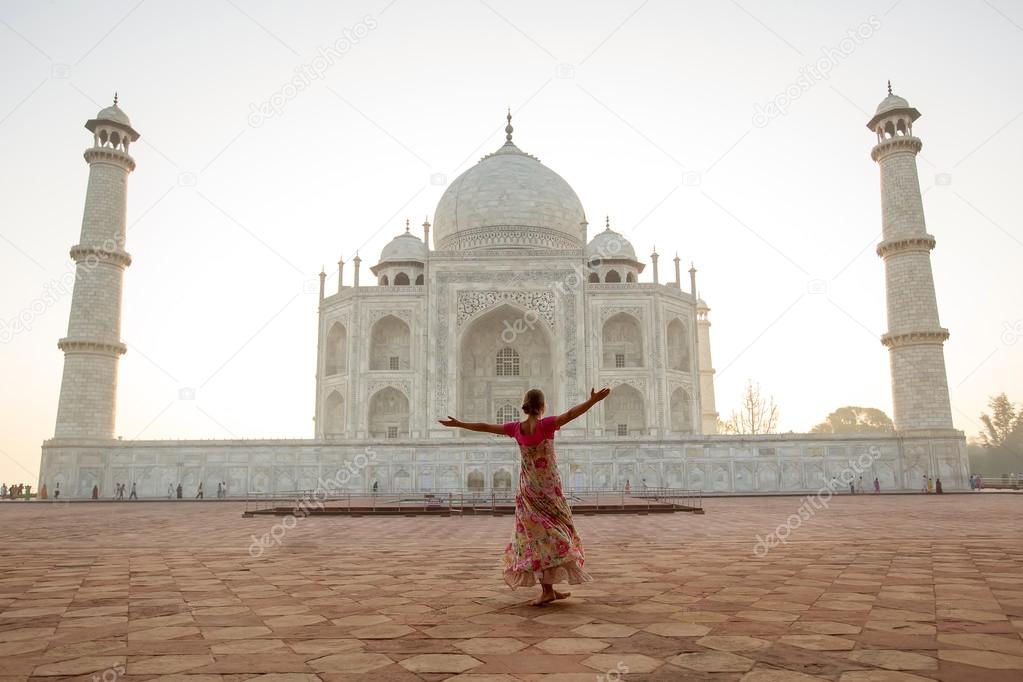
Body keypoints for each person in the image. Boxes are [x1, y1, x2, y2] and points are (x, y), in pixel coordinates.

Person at [439, 386, 609, 606]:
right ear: (542, 406)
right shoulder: (546, 425)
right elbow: (570, 415)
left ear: (526, 405)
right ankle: (548, 589)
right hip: (549, 490)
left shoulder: (516, 428)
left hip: (528, 490)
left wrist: (459, 424)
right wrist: (592, 401)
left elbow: (485, 427)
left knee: (536, 539)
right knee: (556, 534)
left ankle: (548, 589)